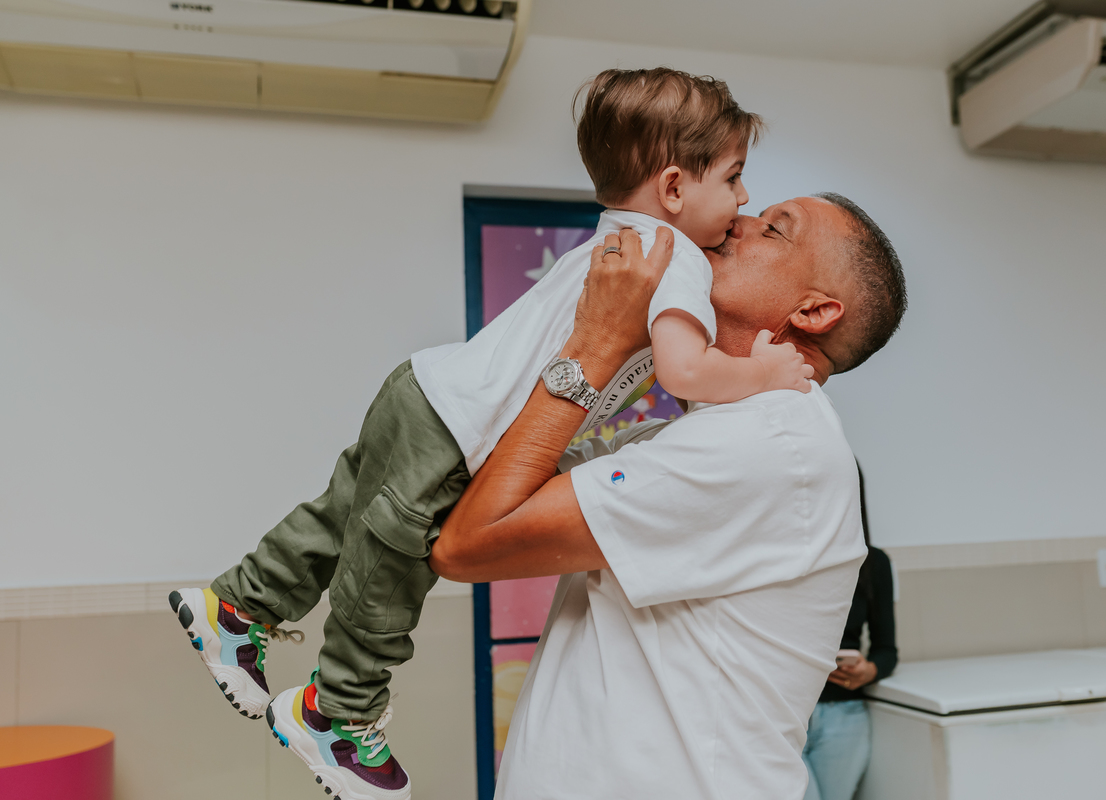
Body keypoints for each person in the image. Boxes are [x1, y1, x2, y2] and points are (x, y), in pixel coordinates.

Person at [166, 67, 812, 800]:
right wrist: (762, 375)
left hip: (424, 391)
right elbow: (686, 370)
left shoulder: (618, 237)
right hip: (457, 431)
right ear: (673, 188)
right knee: (390, 574)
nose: (744, 199)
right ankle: (336, 714)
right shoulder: (678, 261)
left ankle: (237, 605)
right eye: (733, 179)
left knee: (339, 519)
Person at [430, 193, 908, 799]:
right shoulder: (693, 434)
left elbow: (468, 545)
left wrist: (600, 342)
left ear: (813, 311)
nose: (736, 221)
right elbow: (484, 483)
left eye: (773, 231)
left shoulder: (766, 440)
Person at [801, 464, 897, 800]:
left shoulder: (874, 564)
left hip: (845, 715)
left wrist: (867, 670)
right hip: (787, 712)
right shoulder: (780, 562)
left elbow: (887, 651)